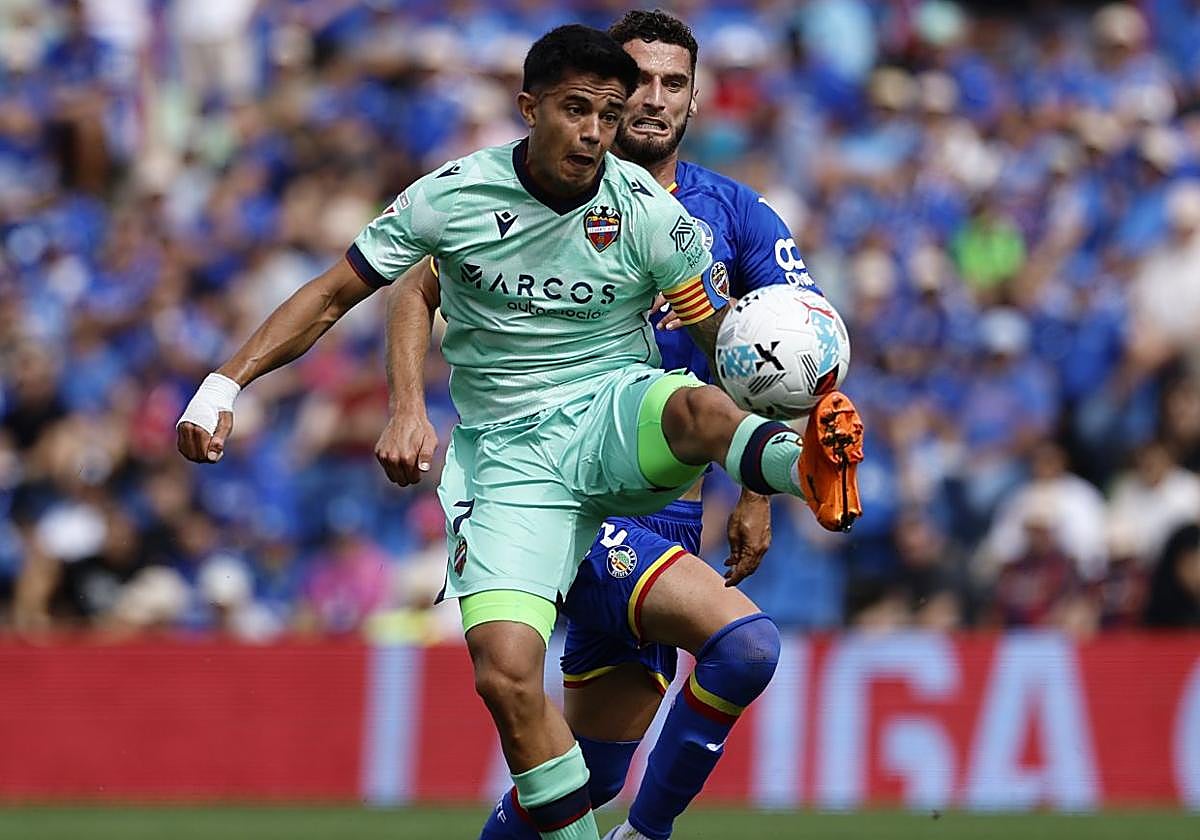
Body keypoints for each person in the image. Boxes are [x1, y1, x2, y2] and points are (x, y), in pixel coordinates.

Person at [179, 25, 862, 840]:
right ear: (531, 107)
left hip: (624, 432)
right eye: (595, 102)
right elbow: (367, 291)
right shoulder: (454, 198)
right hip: (515, 465)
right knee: (524, 687)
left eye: (651, 92)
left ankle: (806, 471)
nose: (620, 116)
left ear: (690, 95)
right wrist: (236, 385)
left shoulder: (677, 212)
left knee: (693, 408)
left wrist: (789, 435)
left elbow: (723, 347)